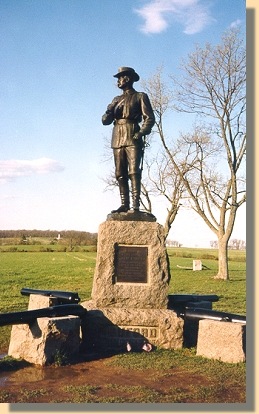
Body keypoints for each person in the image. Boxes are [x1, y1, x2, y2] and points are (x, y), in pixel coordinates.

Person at [102, 67, 155, 213]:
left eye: (121, 77)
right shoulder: (116, 100)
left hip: (132, 133)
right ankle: (124, 204)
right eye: (118, 78)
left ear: (129, 78)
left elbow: (149, 118)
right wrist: (109, 110)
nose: (118, 81)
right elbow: (105, 121)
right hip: (117, 135)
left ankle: (135, 205)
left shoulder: (140, 96)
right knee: (120, 173)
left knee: (133, 171)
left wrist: (142, 132)